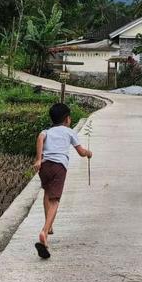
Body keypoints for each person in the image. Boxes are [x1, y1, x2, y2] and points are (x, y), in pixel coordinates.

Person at [33, 102, 92, 259]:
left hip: (44, 166)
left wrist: (39, 159)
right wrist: (88, 153)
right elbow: (80, 152)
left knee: (47, 192)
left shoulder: (47, 131)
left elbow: (40, 137)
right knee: (55, 200)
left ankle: (49, 225)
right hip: (59, 167)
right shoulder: (69, 132)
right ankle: (44, 232)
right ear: (67, 119)